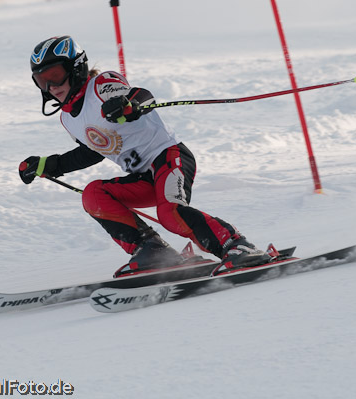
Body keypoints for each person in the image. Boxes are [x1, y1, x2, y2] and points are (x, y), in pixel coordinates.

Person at [19, 35, 271, 276]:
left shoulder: (101, 85)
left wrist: (129, 104)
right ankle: (153, 251)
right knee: (93, 194)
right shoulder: (68, 118)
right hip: (143, 177)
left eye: (55, 76)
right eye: (42, 81)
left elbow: (141, 94)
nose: (51, 87)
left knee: (170, 213)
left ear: (76, 68)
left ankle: (237, 246)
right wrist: (50, 165)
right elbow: (92, 152)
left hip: (168, 157)